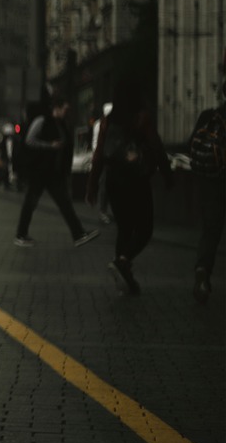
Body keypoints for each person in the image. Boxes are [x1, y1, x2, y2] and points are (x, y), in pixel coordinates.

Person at [86, 82, 173, 295]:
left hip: (114, 182)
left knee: (124, 228)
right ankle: (123, 261)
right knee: (145, 228)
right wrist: (167, 173)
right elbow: (156, 145)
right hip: (136, 180)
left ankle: (125, 277)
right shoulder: (141, 118)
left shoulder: (108, 122)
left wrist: (92, 184)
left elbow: (98, 156)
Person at [14, 97, 100, 248]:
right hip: (40, 170)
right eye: (65, 109)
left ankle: (78, 233)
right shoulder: (42, 121)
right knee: (32, 202)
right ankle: (21, 234)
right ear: (57, 108)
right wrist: (49, 145)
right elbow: (29, 140)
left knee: (63, 202)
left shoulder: (61, 123)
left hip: (52, 171)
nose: (67, 112)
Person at [188, 93, 225, 303]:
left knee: (210, 231)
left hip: (211, 181)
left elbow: (191, 144)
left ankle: (202, 271)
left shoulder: (208, 116)